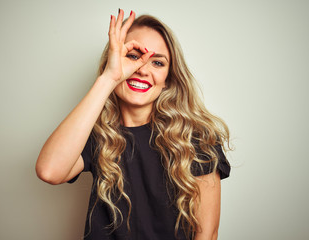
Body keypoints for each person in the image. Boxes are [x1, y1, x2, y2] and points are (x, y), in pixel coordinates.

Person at [36, 9, 231, 240]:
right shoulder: (96, 134)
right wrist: (109, 78)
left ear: (168, 80)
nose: (142, 70)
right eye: (133, 56)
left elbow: (206, 234)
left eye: (157, 62)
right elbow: (49, 171)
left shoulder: (197, 137)